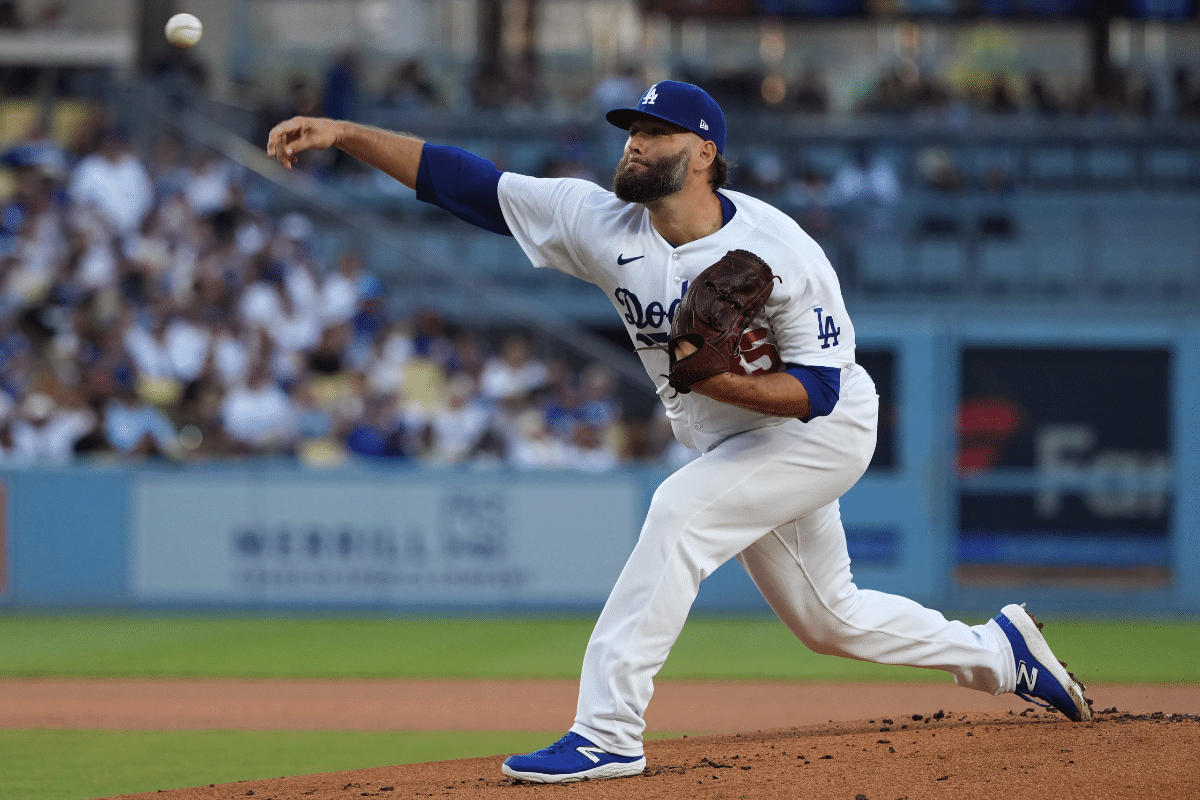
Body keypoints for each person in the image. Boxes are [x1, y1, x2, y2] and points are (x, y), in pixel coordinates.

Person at [267, 79, 1092, 784]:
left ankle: (607, 733)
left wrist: (726, 379)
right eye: (629, 131)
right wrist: (345, 134)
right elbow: (468, 185)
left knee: (679, 514)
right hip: (728, 442)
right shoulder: (601, 223)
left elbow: (821, 388)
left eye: (652, 132)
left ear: (702, 152)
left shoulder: (780, 250)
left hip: (823, 430)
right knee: (827, 620)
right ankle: (998, 650)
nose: (632, 144)